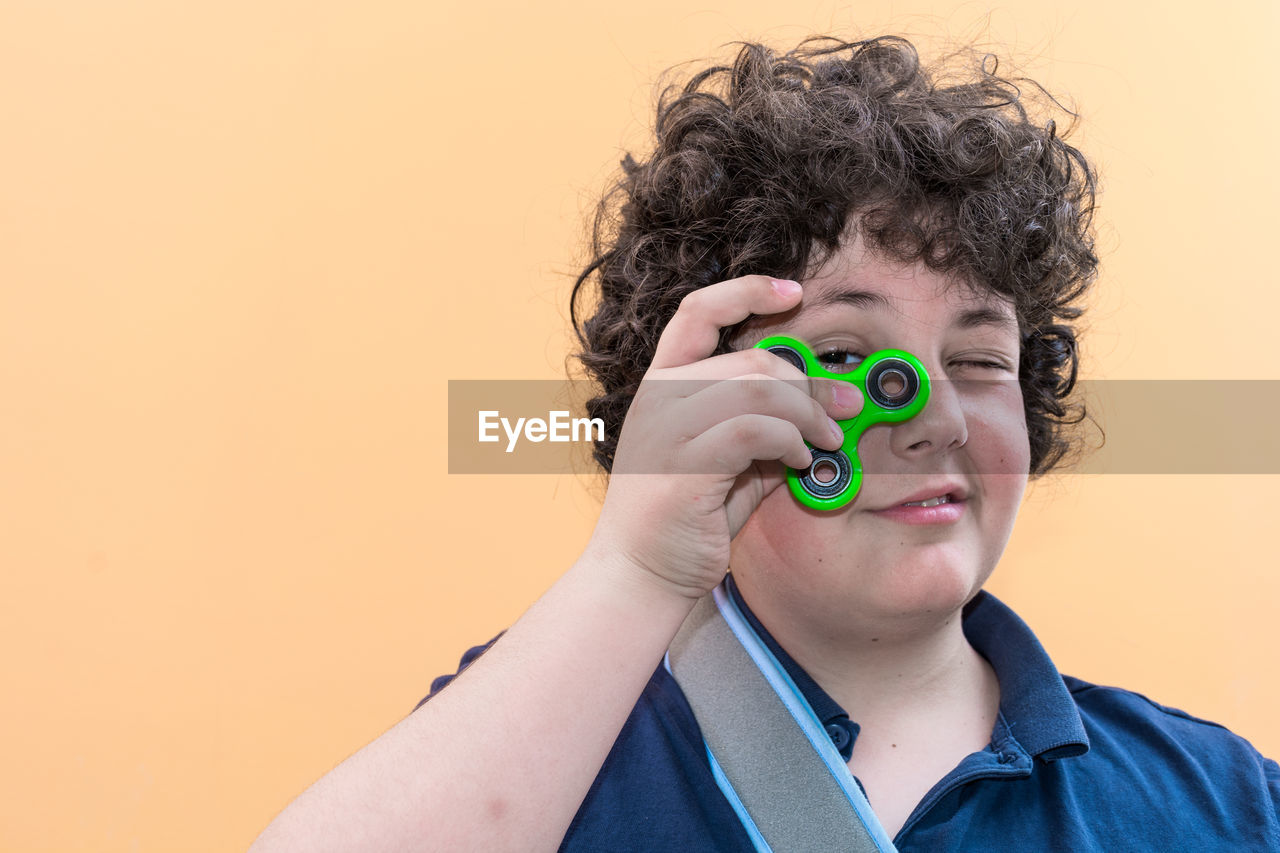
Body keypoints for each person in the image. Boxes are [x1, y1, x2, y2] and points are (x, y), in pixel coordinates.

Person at [250, 35, 1280, 852]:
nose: (936, 420)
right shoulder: (545, 742)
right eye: (844, 354)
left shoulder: (1220, 799)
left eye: (977, 361)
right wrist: (633, 566)